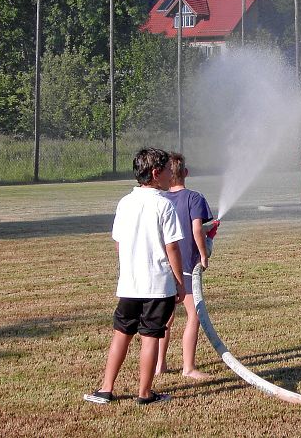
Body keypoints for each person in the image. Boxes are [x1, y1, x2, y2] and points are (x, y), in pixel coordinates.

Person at [84, 147, 185, 406]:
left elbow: (118, 242)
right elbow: (172, 247)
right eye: (166, 172)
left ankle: (106, 389)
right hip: (158, 286)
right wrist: (179, 282)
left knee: (121, 333)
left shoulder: (125, 202)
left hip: (129, 284)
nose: (169, 177)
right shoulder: (164, 205)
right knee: (151, 336)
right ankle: (144, 393)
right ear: (155, 173)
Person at [156, 153, 214, 380]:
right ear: (186, 173)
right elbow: (196, 229)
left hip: (164, 266)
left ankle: (160, 365)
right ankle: (188, 367)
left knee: (166, 317)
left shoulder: (160, 199)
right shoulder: (195, 198)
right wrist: (203, 255)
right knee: (194, 315)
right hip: (187, 265)